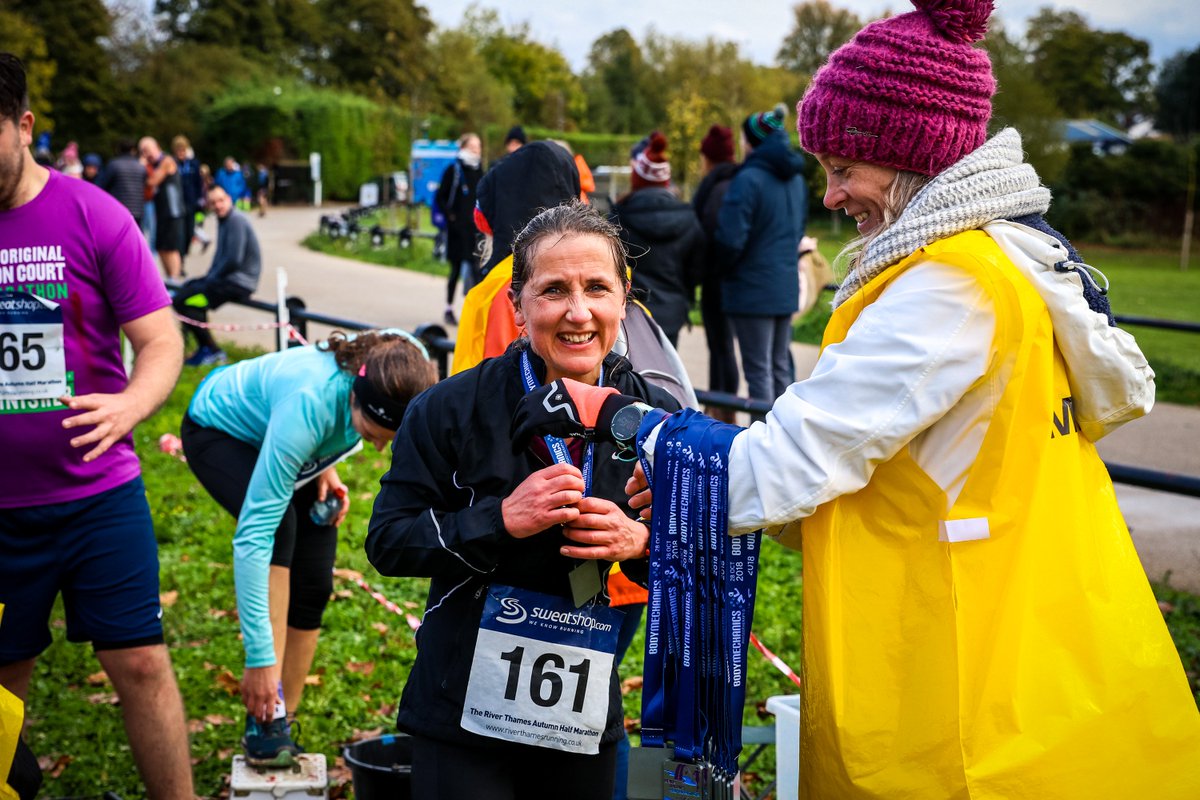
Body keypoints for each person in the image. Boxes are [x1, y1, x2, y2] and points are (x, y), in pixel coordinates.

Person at [631, 0, 1200, 795]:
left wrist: (652, 443)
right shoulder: (1001, 262)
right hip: (1052, 665)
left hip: (967, 704)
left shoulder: (947, 287)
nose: (830, 196)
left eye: (843, 168)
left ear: (906, 158)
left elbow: (798, 457)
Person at [366, 201, 678, 799]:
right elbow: (387, 540)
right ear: (517, 305)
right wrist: (500, 520)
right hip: (461, 712)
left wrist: (641, 543)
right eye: (553, 290)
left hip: (581, 706)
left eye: (596, 288)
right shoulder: (449, 408)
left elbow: (702, 561)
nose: (578, 312)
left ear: (624, 298)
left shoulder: (657, 421)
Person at [0, 52, 192, 798]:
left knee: (140, 662)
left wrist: (130, 405)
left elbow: (161, 339)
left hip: (95, 496)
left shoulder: (91, 214)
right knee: (6, 678)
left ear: (24, 127)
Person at [181, 330, 437, 766]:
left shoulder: (409, 364)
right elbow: (252, 539)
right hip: (221, 430)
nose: (377, 448)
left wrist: (324, 465)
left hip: (292, 437)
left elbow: (341, 425)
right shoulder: (308, 405)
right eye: (373, 434)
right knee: (280, 529)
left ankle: (281, 715)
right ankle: (265, 706)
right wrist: (259, 660)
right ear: (355, 398)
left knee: (315, 581)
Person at [713, 104, 807, 402]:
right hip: (784, 285)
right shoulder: (796, 180)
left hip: (752, 290)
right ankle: (786, 437)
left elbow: (730, 240)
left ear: (752, 142)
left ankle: (767, 440)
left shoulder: (748, 179)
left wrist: (721, 271)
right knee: (780, 365)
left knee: (758, 370)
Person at [610, 131, 704, 348]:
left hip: (630, 310)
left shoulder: (619, 217)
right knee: (666, 373)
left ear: (637, 178)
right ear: (666, 181)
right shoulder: (689, 218)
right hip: (673, 310)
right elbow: (697, 268)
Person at [173, 185, 262, 366]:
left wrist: (210, 279)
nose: (218, 206)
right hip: (226, 279)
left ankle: (212, 350)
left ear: (229, 199)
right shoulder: (224, 220)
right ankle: (207, 348)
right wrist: (207, 278)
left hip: (239, 282)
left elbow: (233, 260)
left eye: (221, 201)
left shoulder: (236, 220)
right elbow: (220, 258)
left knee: (183, 300)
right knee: (187, 291)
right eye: (213, 202)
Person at [691, 124, 740, 414]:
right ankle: (720, 407)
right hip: (730, 279)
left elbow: (709, 236)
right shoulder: (735, 182)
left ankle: (723, 409)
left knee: (721, 348)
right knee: (723, 348)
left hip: (718, 281)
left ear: (709, 158)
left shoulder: (716, 189)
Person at [435, 132, 483, 326]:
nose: (477, 150)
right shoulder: (453, 170)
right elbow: (440, 196)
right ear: (463, 147)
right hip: (456, 231)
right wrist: (451, 218)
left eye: (478, 146)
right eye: (473, 146)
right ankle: (448, 308)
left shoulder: (481, 170)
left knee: (476, 272)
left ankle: (474, 312)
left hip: (474, 231)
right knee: (455, 270)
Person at [140, 136, 186, 279]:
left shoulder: (167, 161)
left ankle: (174, 281)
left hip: (173, 212)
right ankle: (170, 279)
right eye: (143, 152)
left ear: (157, 147)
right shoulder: (153, 165)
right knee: (161, 247)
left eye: (147, 150)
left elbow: (152, 181)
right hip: (161, 212)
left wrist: (141, 165)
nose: (147, 155)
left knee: (171, 248)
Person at [99, 138, 147, 226]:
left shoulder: (113, 165)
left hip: (119, 210)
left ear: (119, 149)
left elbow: (103, 186)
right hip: (138, 210)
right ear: (133, 150)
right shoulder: (141, 167)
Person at [171, 135, 202, 263]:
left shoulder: (193, 164)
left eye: (183, 150)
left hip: (191, 202)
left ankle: (184, 252)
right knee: (180, 233)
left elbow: (198, 183)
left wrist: (199, 200)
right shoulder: (172, 164)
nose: (181, 153)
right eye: (178, 150)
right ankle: (180, 260)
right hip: (177, 203)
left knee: (189, 232)